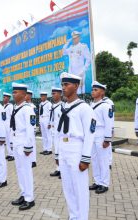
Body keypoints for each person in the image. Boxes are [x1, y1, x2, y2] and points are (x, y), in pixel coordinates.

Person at [57, 73, 95, 220]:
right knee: (68, 188)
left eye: (67, 85)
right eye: (62, 85)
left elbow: (89, 134)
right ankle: (74, 216)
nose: (64, 88)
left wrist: (85, 158)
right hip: (64, 148)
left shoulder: (84, 108)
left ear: (76, 86)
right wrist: (58, 154)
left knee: (80, 189)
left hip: (76, 149)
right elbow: (58, 132)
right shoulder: (63, 107)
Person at [10, 82, 36, 211]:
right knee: (20, 171)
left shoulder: (28, 109)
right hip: (16, 142)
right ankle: (23, 194)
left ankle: (29, 199)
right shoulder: (16, 107)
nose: (13, 94)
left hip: (24, 143)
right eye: (13, 92)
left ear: (24, 94)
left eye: (16, 92)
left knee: (26, 171)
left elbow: (30, 130)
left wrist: (28, 147)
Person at [89, 81, 113, 194]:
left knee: (103, 160)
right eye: (92, 90)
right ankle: (97, 181)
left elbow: (109, 123)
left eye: (96, 90)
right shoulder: (90, 105)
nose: (93, 92)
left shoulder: (106, 106)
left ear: (102, 92)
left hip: (101, 133)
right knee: (94, 159)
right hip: (92, 134)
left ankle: (104, 183)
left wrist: (107, 139)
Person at [49, 87, 63, 179]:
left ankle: (63, 170)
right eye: (52, 93)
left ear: (60, 94)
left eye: (54, 93)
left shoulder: (63, 106)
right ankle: (58, 169)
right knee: (56, 151)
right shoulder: (53, 105)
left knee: (61, 151)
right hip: (54, 132)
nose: (53, 95)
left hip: (61, 133)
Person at [25, 90, 37, 168]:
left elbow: (33, 118)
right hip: (25, 128)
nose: (25, 96)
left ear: (30, 96)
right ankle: (29, 159)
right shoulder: (24, 106)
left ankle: (33, 161)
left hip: (31, 127)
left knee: (32, 143)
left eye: (26, 95)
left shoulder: (32, 106)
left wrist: (34, 128)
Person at [3, 92, 14, 161]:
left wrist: (11, 126)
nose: (3, 98)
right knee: (7, 140)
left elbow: (12, 116)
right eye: (3, 97)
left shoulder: (10, 106)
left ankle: (13, 155)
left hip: (9, 124)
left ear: (8, 98)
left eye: (5, 97)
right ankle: (9, 153)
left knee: (10, 140)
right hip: (4, 124)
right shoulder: (3, 106)